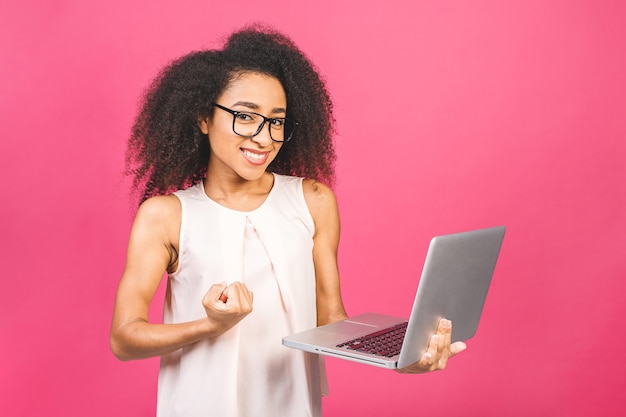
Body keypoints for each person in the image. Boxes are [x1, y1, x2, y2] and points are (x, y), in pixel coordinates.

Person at [110, 24, 467, 417]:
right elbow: (124, 338)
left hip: (292, 406)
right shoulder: (166, 216)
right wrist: (208, 326)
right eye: (246, 117)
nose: (264, 138)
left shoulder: (312, 201)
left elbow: (331, 319)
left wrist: (404, 354)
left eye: (276, 122)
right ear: (203, 118)